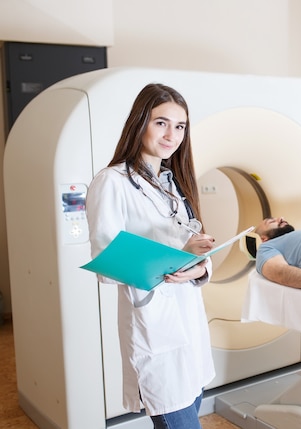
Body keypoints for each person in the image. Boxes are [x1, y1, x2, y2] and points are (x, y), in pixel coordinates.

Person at [86, 83, 216, 429]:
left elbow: (192, 243)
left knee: (191, 402)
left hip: (188, 320)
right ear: (140, 122)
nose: (171, 134)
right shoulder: (112, 182)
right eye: (161, 123)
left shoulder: (173, 183)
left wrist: (200, 266)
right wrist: (178, 257)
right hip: (153, 326)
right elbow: (108, 260)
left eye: (180, 126)